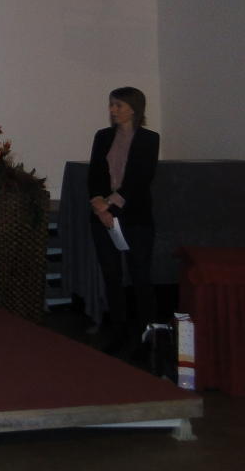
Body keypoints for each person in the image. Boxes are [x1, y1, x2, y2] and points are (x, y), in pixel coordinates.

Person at [87, 86, 160, 357]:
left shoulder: (149, 139)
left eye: (118, 105)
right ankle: (119, 332)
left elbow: (141, 180)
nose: (112, 110)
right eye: (111, 104)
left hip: (135, 216)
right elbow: (95, 173)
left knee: (140, 277)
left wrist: (109, 203)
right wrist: (98, 204)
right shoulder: (103, 136)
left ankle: (147, 338)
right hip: (102, 215)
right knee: (111, 276)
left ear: (134, 108)